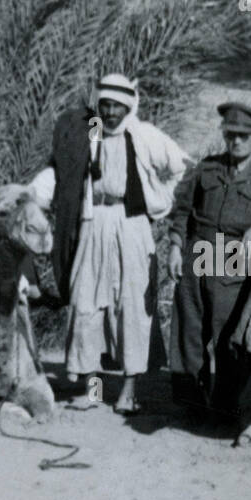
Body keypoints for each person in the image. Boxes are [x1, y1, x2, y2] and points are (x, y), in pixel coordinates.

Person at [54, 73, 190, 413]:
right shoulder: (93, 132)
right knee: (87, 304)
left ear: (129, 106)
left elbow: (180, 168)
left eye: (117, 105)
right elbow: (72, 169)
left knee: (131, 306)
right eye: (106, 104)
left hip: (131, 227)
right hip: (93, 223)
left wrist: (161, 199)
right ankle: (94, 390)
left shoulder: (143, 135)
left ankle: (129, 392)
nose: (111, 112)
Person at [167, 101, 251, 420]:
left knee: (227, 334)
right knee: (188, 330)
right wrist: (174, 246)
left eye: (243, 135)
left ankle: (226, 405)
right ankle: (190, 402)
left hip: (233, 257)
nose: (236, 141)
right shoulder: (207, 168)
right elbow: (183, 210)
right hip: (198, 251)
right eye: (230, 135)